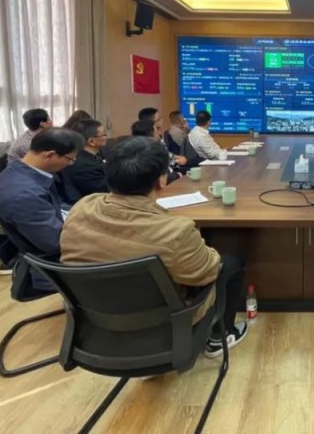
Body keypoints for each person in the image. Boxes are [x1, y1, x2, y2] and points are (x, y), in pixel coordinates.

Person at [60, 137, 248, 357]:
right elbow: (208, 271)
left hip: (94, 318)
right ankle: (218, 337)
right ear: (161, 181)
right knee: (230, 263)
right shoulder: (175, 231)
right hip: (161, 321)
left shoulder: (81, 209)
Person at [0, 128, 84, 290]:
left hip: (60, 240)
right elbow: (55, 242)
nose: (70, 164)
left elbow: (57, 208)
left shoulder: (22, 171)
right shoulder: (23, 194)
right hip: (55, 265)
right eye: (70, 159)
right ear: (49, 155)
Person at [57, 119, 109, 204]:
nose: (106, 137)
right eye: (104, 134)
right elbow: (105, 190)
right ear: (91, 141)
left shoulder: (97, 153)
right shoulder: (83, 166)